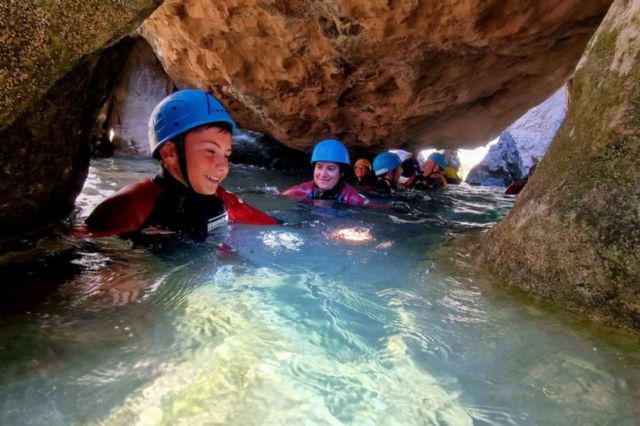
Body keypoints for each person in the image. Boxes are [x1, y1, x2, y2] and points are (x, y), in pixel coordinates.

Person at [83, 89, 278, 241]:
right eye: (210, 151)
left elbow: (273, 226)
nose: (223, 167)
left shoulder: (223, 202)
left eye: (226, 155)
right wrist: (118, 264)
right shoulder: (130, 207)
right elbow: (79, 246)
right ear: (169, 153)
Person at [282, 139, 370, 206]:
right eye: (319, 167)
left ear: (341, 173)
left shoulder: (353, 198)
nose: (323, 174)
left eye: (330, 168)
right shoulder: (300, 191)